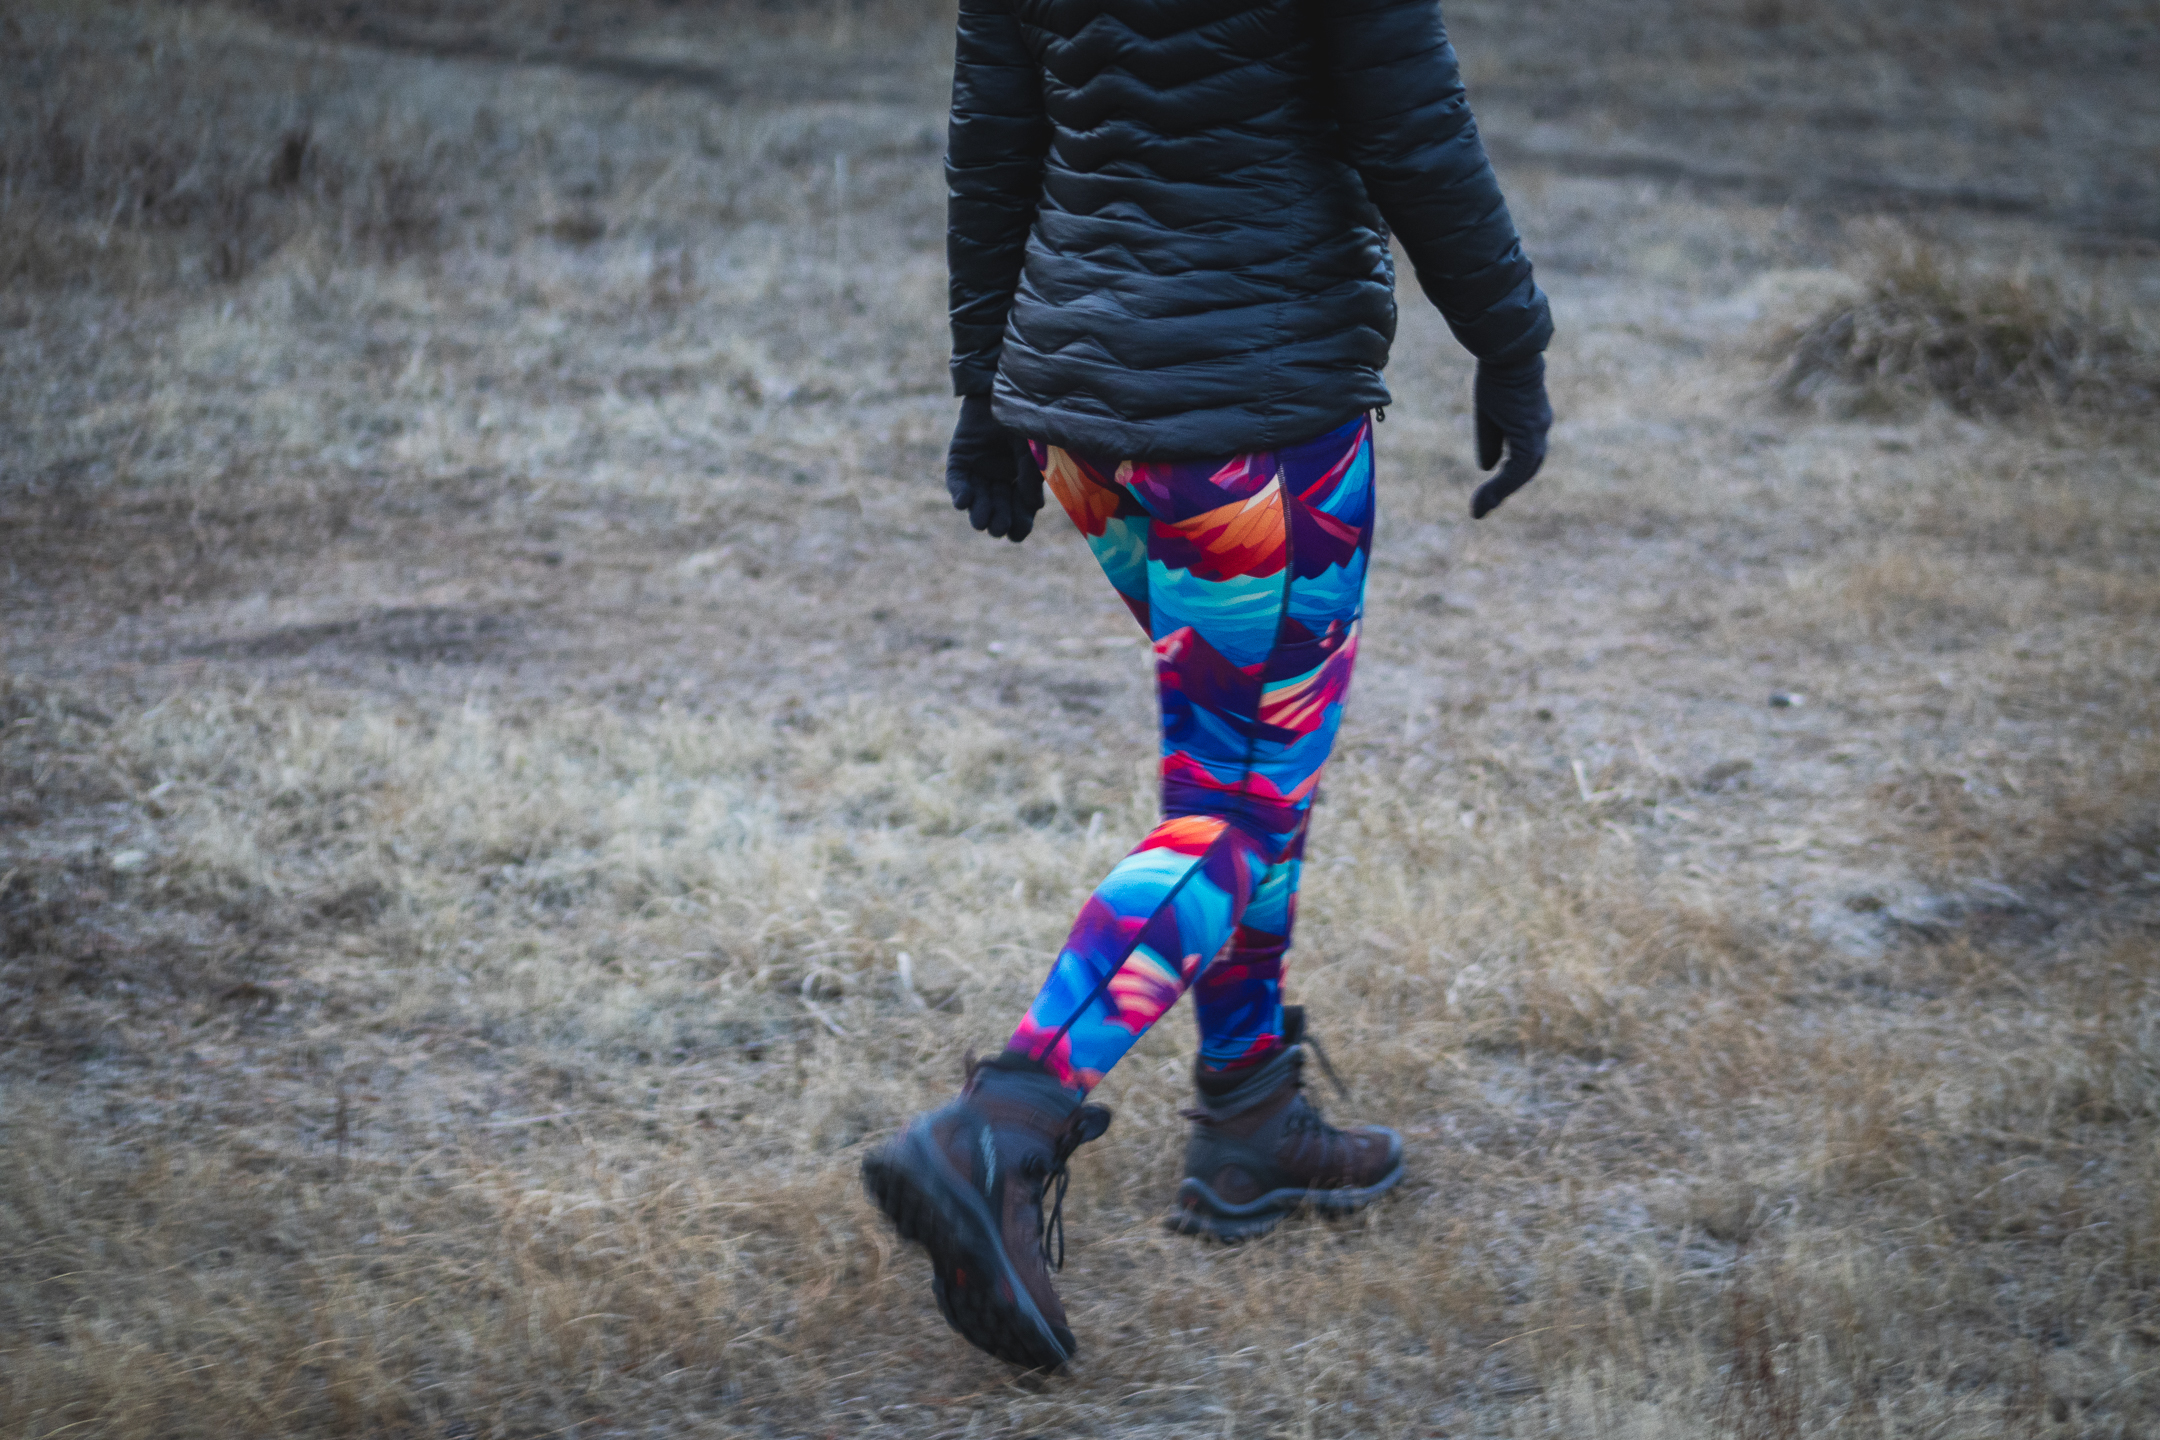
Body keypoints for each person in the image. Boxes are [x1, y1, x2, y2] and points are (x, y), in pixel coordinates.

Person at [861, 0, 1553, 1371]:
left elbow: (993, 138)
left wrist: (981, 388)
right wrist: (1511, 337)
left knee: (1223, 781)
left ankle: (1250, 1123)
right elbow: (1414, 128)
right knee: (1241, 811)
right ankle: (1003, 1122)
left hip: (1086, 422)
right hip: (1254, 426)